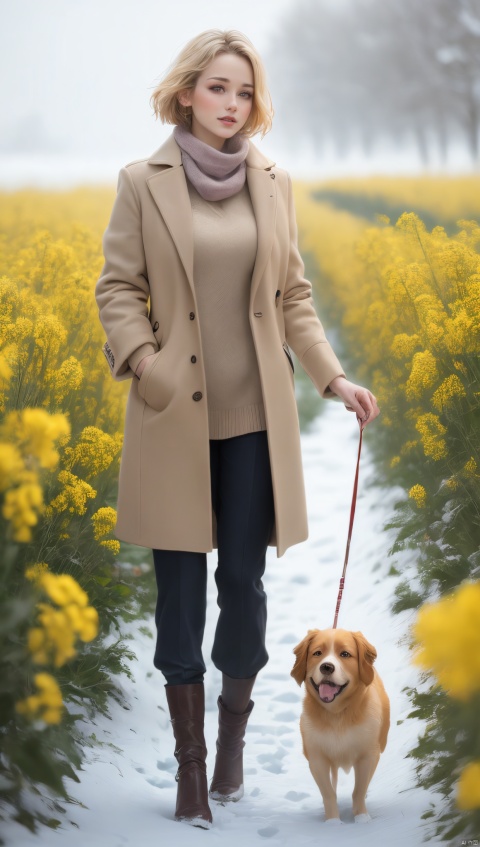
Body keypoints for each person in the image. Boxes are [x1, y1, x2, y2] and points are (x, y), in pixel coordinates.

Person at [95, 28, 379, 830]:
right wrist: (148, 366)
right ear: (187, 91)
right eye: (219, 88)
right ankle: (189, 767)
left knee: (244, 588)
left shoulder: (272, 180)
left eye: (246, 91)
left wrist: (331, 374)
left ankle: (230, 746)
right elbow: (116, 288)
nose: (233, 105)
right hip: (170, 419)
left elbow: (293, 295)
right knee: (179, 592)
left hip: (255, 418)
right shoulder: (140, 182)